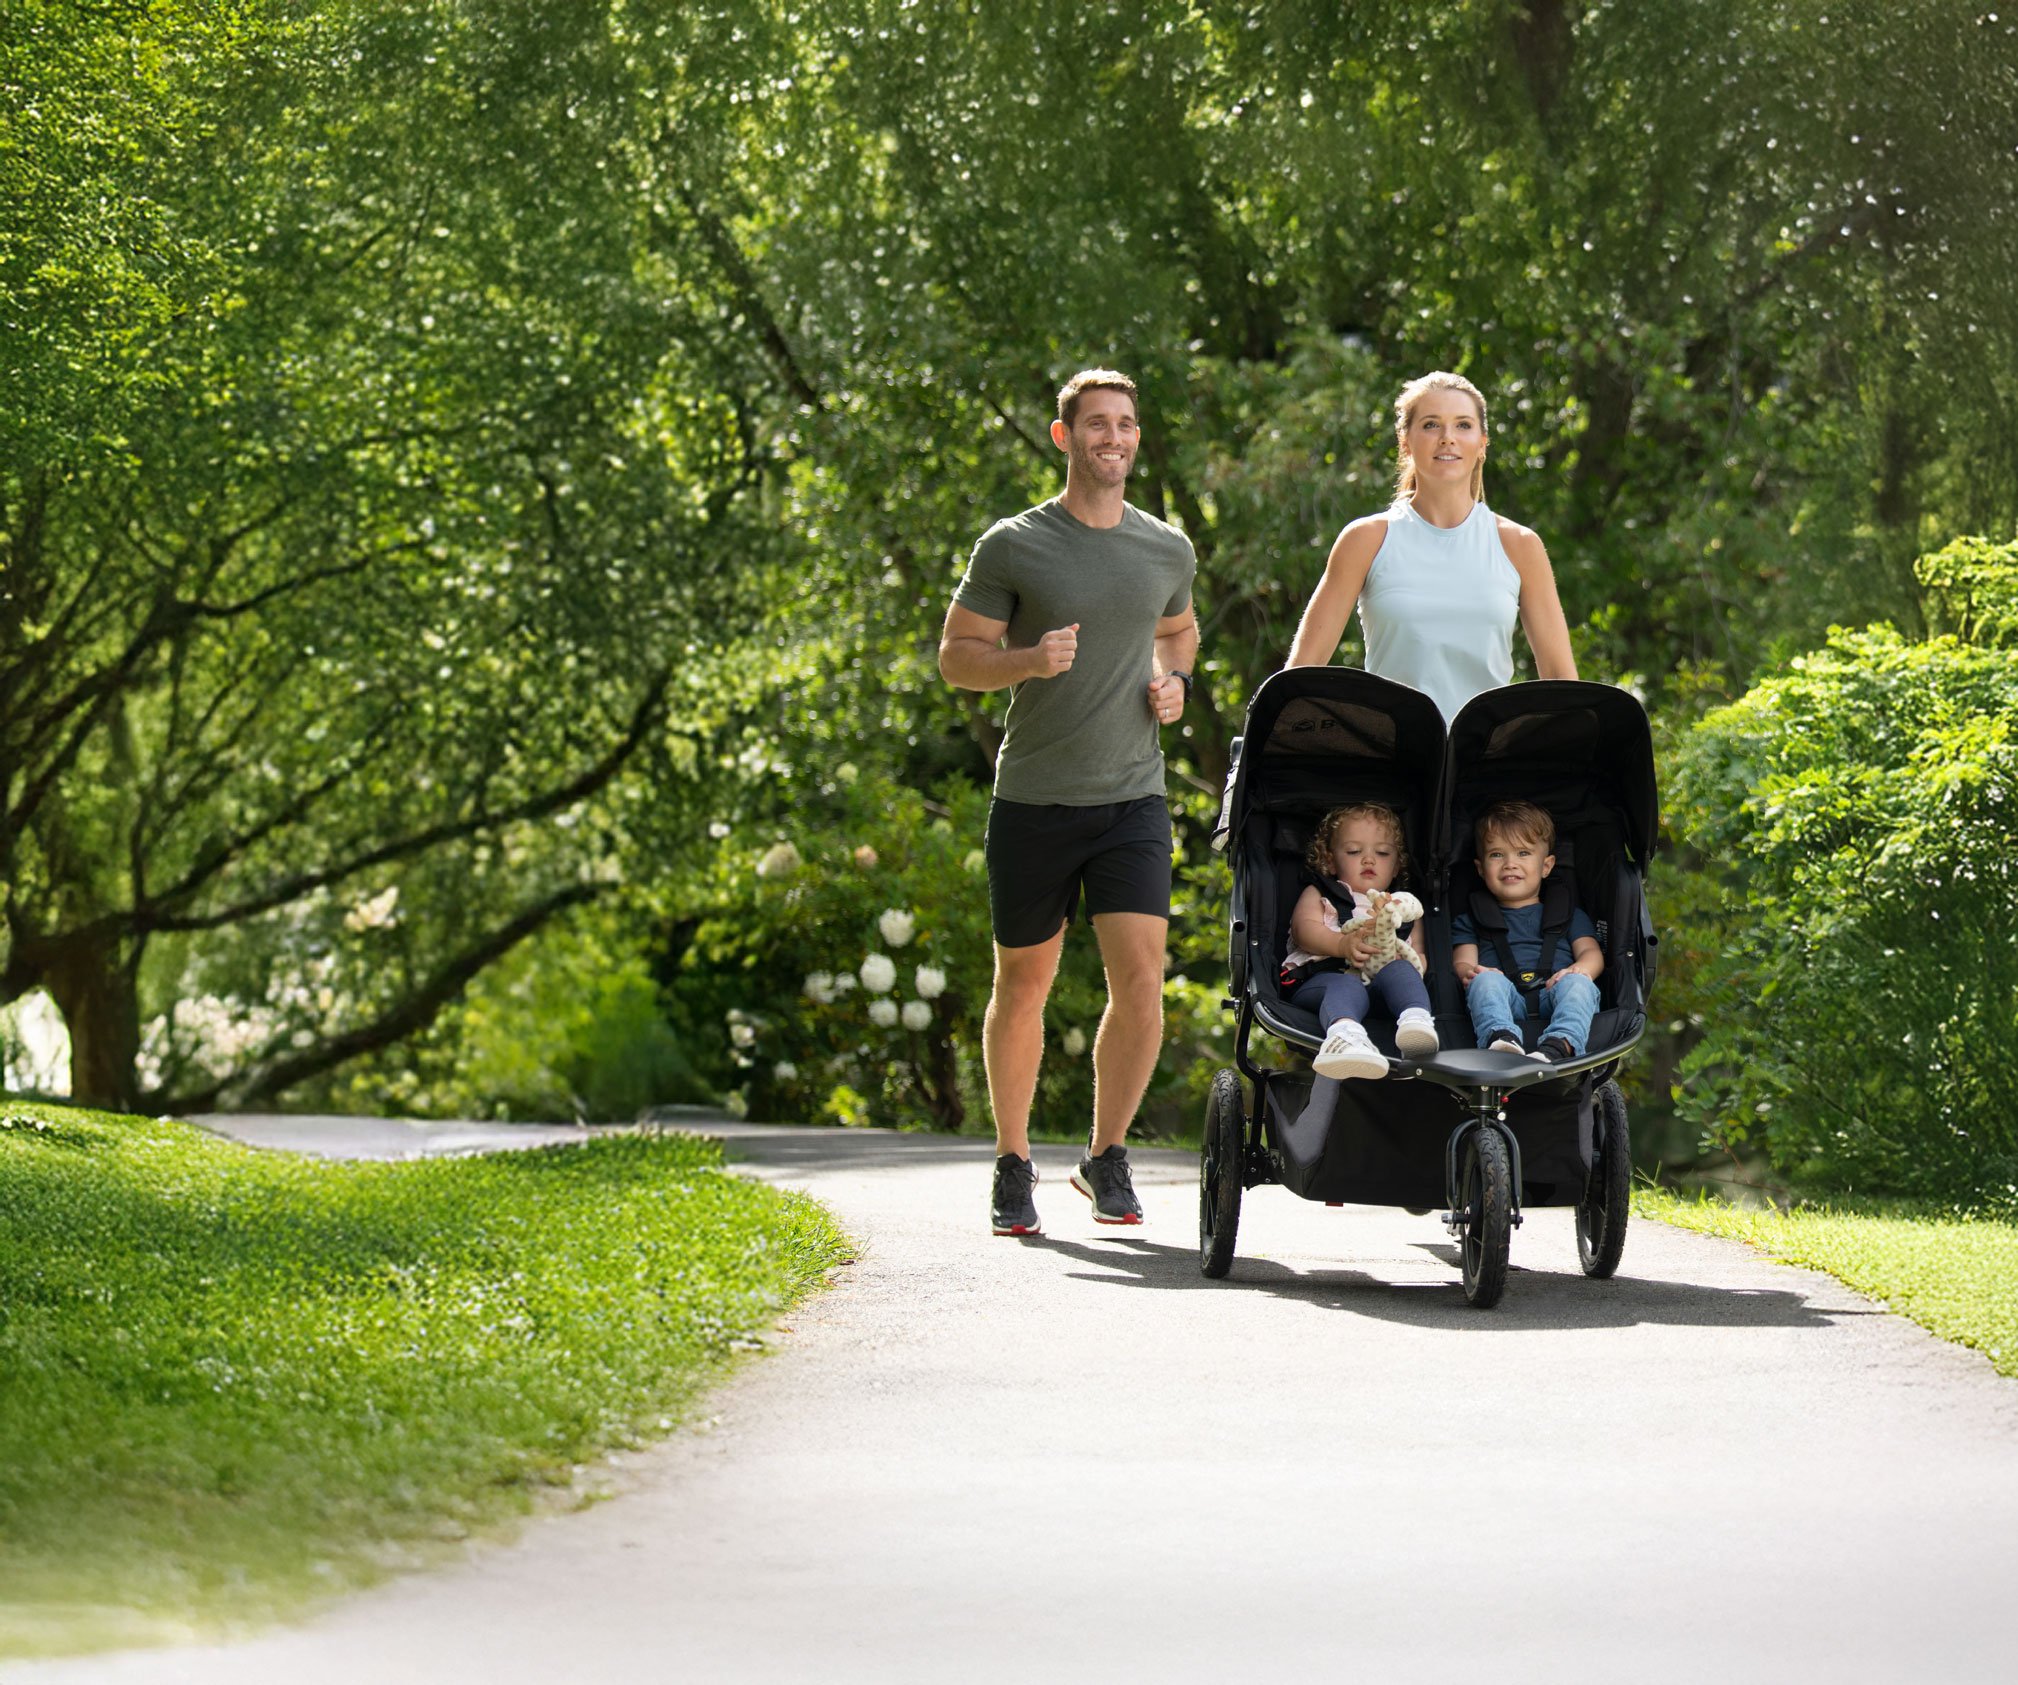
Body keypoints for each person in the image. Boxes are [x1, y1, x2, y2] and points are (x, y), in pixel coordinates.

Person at [938, 368, 1199, 1237]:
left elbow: (1178, 630)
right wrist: (1027, 659)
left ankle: (1106, 1153)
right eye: (1096, 424)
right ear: (1065, 436)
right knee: (1024, 983)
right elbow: (957, 656)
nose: (1112, 438)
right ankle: (1013, 1161)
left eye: (1124, 424)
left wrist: (1176, 683)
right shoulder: (1014, 545)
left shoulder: (1166, 548)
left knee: (1143, 980)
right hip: (1035, 798)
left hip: (1133, 796)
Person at [1284, 370, 1577, 719]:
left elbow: (1562, 681)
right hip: (1392, 749)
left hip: (1484, 751)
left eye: (1463, 425)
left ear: (1482, 443)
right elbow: (1301, 674)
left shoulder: (1520, 545)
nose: (1447, 438)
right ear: (1405, 441)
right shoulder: (1365, 540)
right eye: (1431, 425)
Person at [1280, 803, 1440, 1080]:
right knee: (1346, 984)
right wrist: (1340, 945)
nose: (1369, 860)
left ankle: (1415, 1021)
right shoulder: (1323, 893)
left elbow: (1420, 955)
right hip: (1325, 982)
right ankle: (1345, 1036)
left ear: (1396, 866)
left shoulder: (1402, 907)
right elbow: (1303, 930)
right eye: (1354, 851)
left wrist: (1411, 964)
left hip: (1382, 992)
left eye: (1382, 853)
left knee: (1403, 971)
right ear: (1330, 861)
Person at [1451, 800, 1604, 1061]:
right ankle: (1500, 1039)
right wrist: (1472, 972)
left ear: (1546, 866)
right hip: (1504, 999)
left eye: (1523, 853)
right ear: (1480, 868)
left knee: (1579, 984)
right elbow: (1463, 961)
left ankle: (1560, 1044)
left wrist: (1579, 969)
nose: (1510, 863)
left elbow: (1592, 953)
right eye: (1497, 855)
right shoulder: (1472, 919)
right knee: (1484, 982)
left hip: (1556, 993)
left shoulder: (1569, 914)